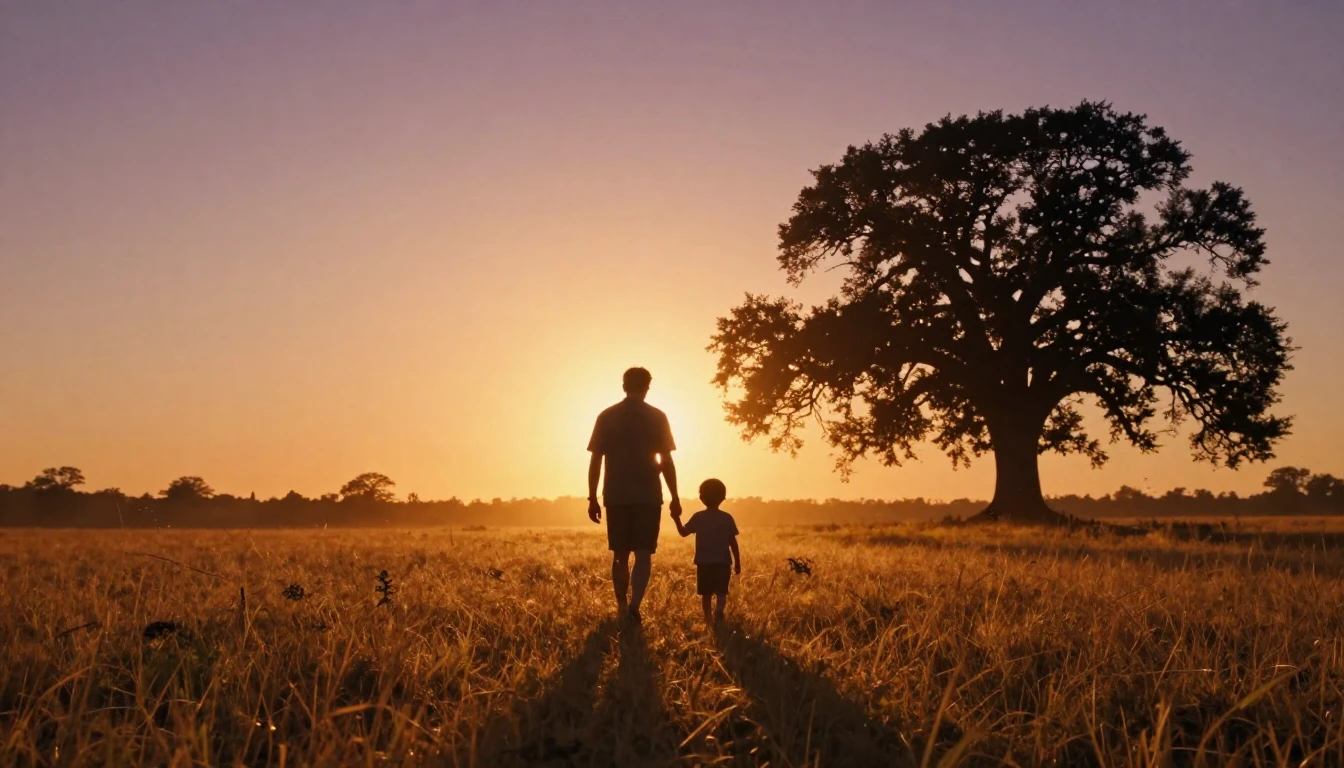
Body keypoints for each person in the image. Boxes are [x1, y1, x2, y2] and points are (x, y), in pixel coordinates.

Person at [587, 367, 681, 623]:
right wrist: (675, 496)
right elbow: (666, 461)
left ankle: (620, 604)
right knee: (643, 554)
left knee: (619, 554)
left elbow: (596, 460)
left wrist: (592, 497)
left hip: (616, 495)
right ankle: (635, 607)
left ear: (623, 385)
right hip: (648, 495)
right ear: (647, 386)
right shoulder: (657, 417)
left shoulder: (607, 416)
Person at [670, 478, 740, 625]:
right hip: (723, 562)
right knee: (721, 592)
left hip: (704, 563)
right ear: (723, 498)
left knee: (706, 594)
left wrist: (676, 518)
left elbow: (683, 532)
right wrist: (737, 562)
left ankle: (708, 619)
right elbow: (733, 543)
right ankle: (719, 610)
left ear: (701, 497)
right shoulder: (727, 518)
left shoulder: (698, 517)